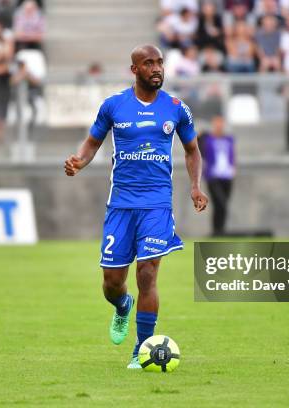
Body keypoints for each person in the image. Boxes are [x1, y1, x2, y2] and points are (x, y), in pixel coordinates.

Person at [64, 45, 208, 369]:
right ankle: (122, 306)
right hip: (121, 205)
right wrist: (80, 162)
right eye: (149, 63)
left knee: (147, 273)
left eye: (159, 63)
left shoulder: (176, 108)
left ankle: (141, 350)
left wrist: (196, 187)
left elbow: (192, 150)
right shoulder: (114, 106)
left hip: (157, 204)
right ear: (135, 70)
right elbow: (91, 143)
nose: (157, 68)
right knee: (112, 282)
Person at [200, 115, 235, 236]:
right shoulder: (208, 139)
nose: (219, 126)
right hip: (213, 176)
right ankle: (216, 230)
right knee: (219, 203)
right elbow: (199, 148)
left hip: (227, 176)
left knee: (224, 204)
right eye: (217, 124)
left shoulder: (229, 139)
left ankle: (220, 230)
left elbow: (231, 155)